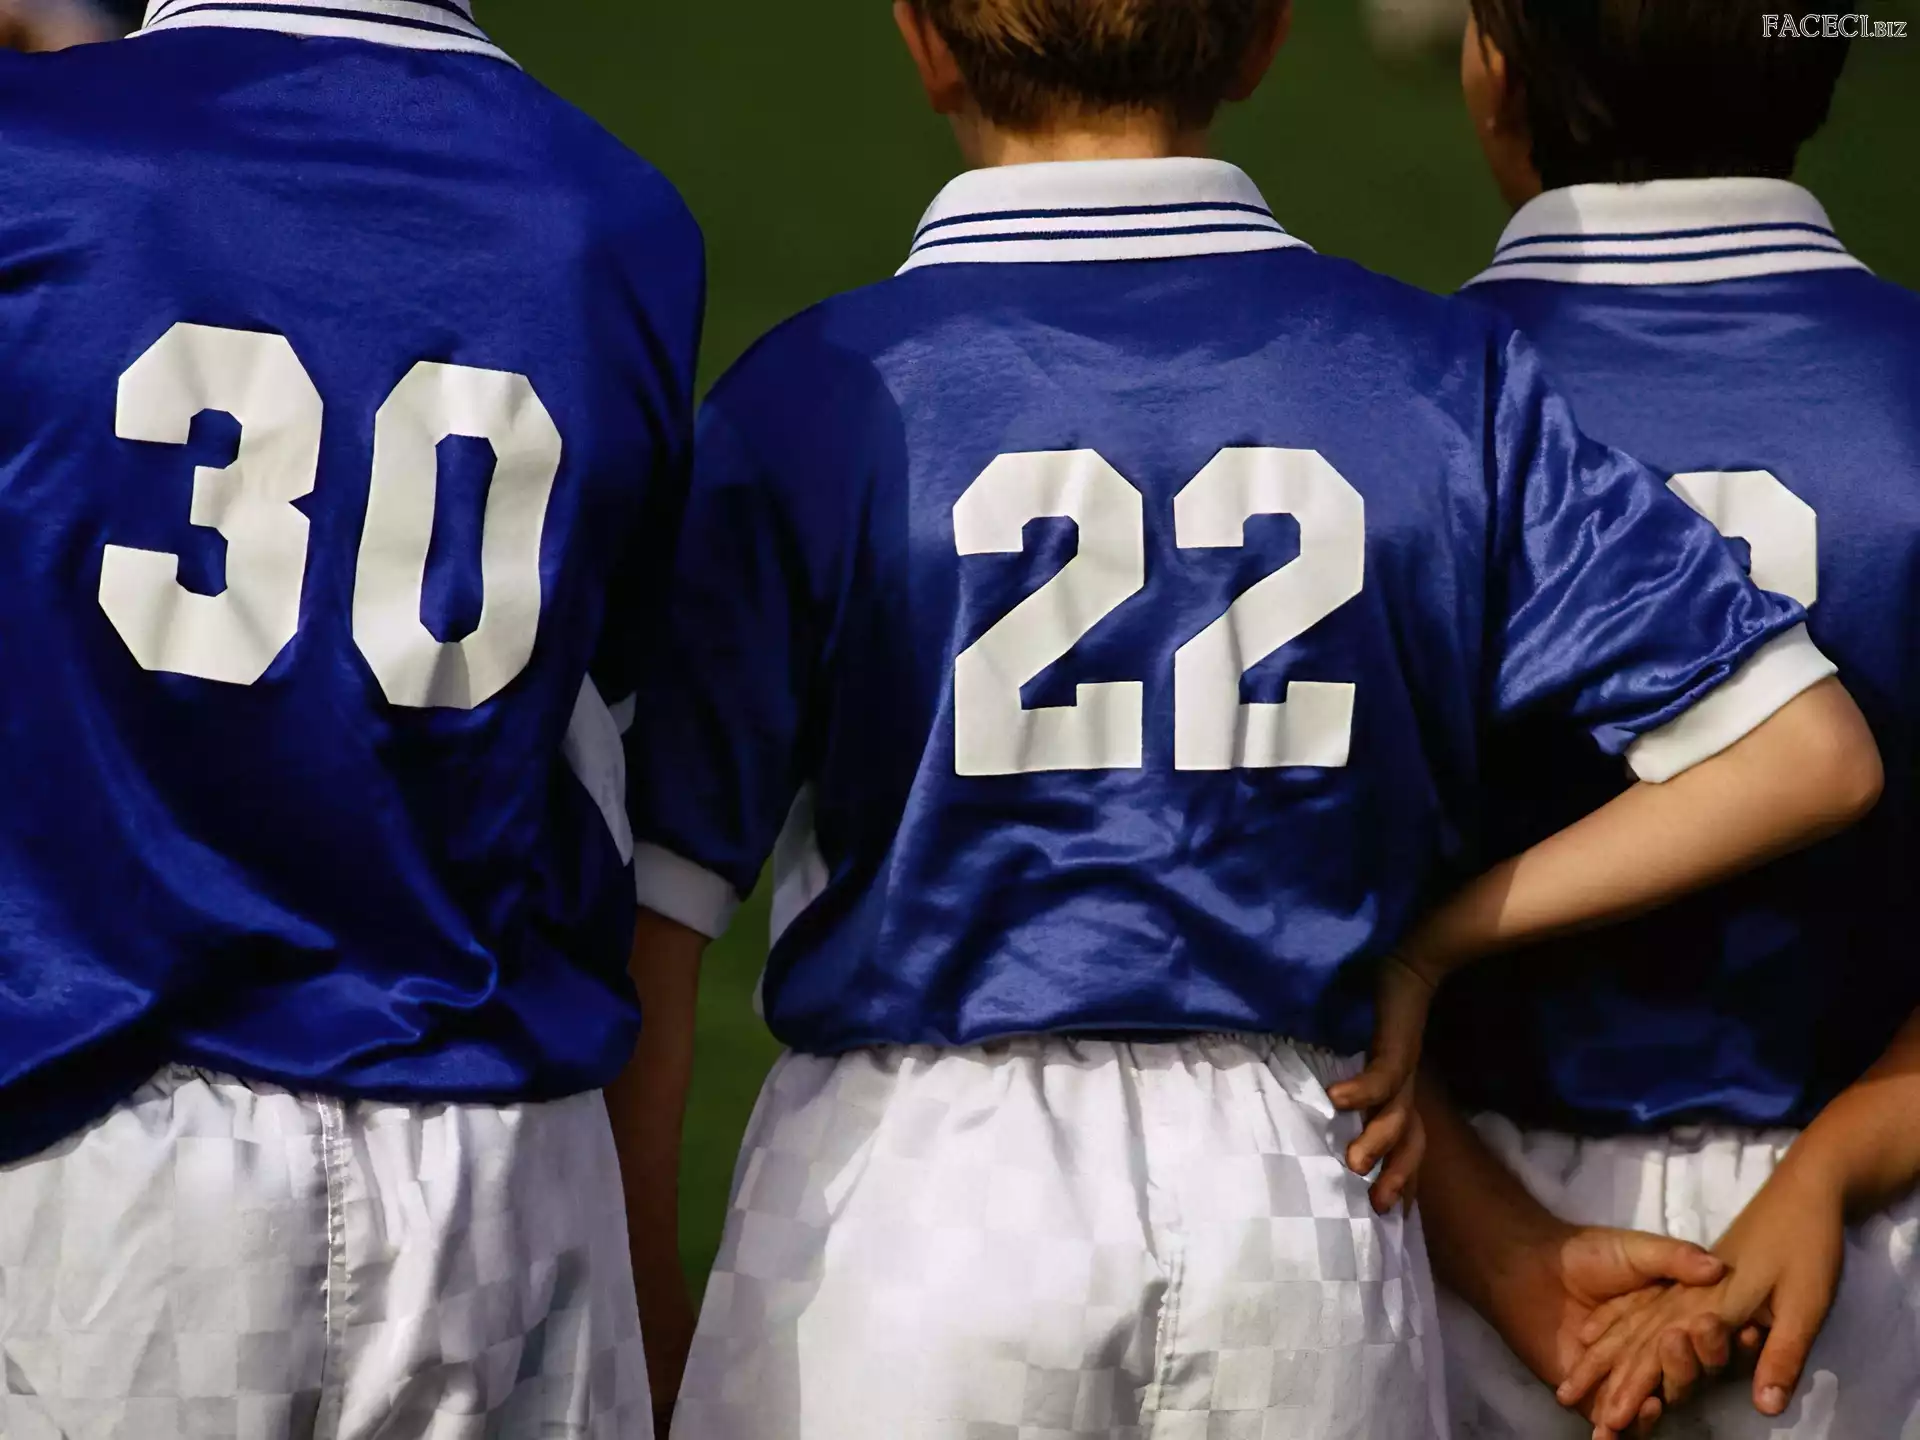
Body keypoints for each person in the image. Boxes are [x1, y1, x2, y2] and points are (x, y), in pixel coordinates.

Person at [614, 0, 1882, 1435]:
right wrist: (1427, 946)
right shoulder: (1435, 377)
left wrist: (647, 1312)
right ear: (1269, 38)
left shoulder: (815, 395)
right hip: (1301, 1207)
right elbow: (1802, 753)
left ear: (925, 40)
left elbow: (659, 911)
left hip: (914, 1205)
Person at [0, 2, 702, 1435]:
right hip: (500, 1154)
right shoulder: (618, 216)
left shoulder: (39, 160)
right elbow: (606, 720)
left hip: (102, 1158)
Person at [1422, 3, 1920, 1437]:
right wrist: (1835, 1161)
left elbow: (1290, 922)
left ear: (1496, 68)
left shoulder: (1396, 408)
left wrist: (1495, 1243)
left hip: (1461, 1244)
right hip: (1876, 1247)